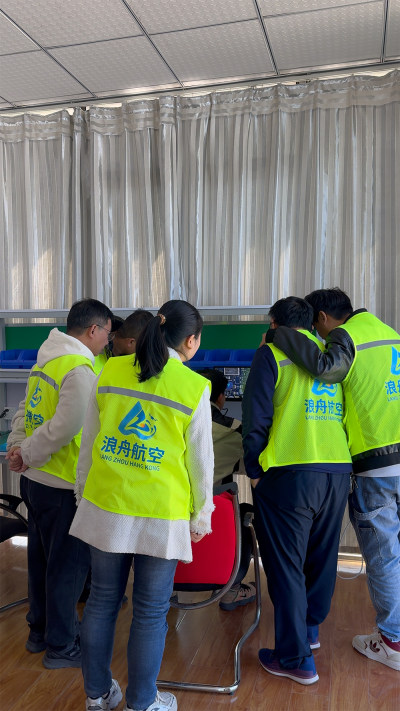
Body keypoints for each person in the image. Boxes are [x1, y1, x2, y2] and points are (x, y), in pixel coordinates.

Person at [69, 300, 214, 711]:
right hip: (159, 514)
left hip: (106, 505)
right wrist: (200, 515)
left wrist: (83, 493)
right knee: (150, 612)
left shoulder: (110, 371)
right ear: (191, 341)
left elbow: (89, 442)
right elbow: (201, 464)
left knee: (101, 601)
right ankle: (142, 702)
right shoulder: (192, 386)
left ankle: (97, 696)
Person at [271, 287, 400, 671]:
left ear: (324, 318)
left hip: (378, 460)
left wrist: (283, 334)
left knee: (384, 555)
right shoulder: (390, 333)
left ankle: (393, 641)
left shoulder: (347, 336)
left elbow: (326, 367)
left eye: (316, 327)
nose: (318, 335)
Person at [242, 296, 352, 685]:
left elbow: (255, 417)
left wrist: (254, 472)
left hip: (290, 472)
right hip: (336, 469)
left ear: (274, 324)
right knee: (322, 557)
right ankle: (309, 630)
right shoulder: (334, 356)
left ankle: (295, 659)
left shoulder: (271, 353)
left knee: (286, 566)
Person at [6, 298, 113, 669]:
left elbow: (25, 410)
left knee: (41, 562)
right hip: (63, 485)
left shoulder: (46, 360)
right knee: (67, 568)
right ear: (93, 330)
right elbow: (66, 428)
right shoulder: (80, 369)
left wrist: (18, 448)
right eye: (107, 334)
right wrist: (27, 451)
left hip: (35, 482)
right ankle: (62, 645)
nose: (107, 342)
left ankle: (39, 632)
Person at [199, 368, 256, 611]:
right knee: (245, 511)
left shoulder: (170, 419)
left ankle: (166, 589)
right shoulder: (234, 430)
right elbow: (252, 465)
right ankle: (231, 589)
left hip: (172, 513)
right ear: (221, 397)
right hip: (212, 517)